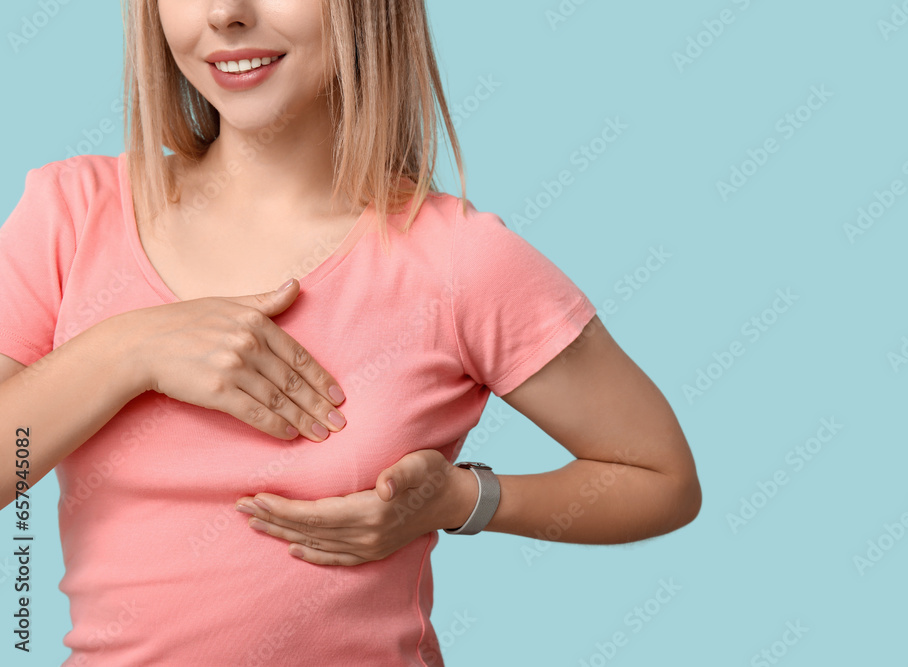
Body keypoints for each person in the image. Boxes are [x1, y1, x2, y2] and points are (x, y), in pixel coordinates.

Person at [0, 0, 701, 664]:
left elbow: (661, 478)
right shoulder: (72, 217)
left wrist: (461, 500)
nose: (225, 13)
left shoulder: (456, 259)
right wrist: (128, 350)